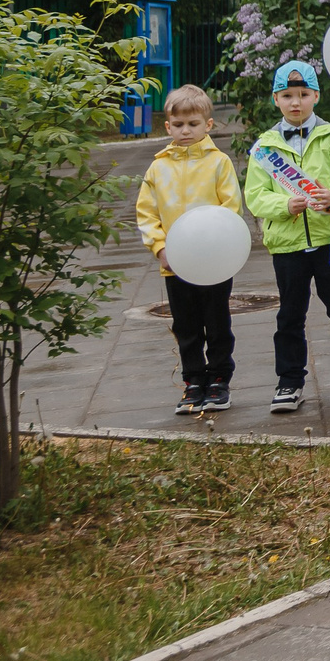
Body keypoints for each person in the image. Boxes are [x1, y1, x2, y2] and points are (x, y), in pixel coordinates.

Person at [243, 60, 330, 414]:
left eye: (302, 95)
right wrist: (284, 203)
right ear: (276, 100)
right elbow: (255, 195)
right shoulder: (264, 149)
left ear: (316, 95)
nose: (295, 102)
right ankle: (289, 381)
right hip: (288, 245)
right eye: (287, 96)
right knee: (290, 315)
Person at [135, 85, 243, 415]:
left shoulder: (219, 163)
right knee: (186, 326)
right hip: (175, 264)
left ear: (208, 125)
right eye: (179, 125)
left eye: (193, 124)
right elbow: (146, 211)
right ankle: (193, 381)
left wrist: (221, 247)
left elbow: (231, 207)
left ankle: (219, 379)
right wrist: (159, 247)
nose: (186, 131)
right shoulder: (158, 168)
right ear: (168, 126)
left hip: (213, 263)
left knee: (217, 322)